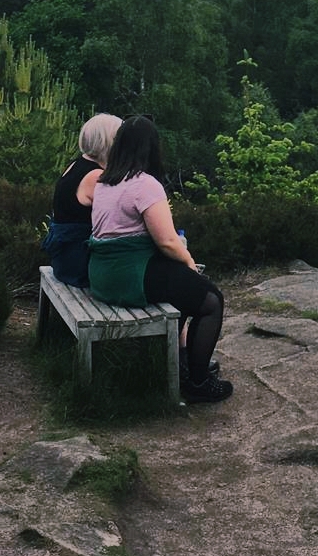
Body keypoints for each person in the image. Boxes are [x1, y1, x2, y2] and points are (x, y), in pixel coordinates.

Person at [88, 116, 233, 404]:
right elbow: (167, 241)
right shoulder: (144, 184)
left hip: (103, 275)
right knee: (211, 301)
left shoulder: (105, 182)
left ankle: (181, 364)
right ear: (151, 148)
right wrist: (189, 263)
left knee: (183, 291)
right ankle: (198, 383)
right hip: (131, 275)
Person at [43, 113, 121, 288]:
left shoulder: (76, 165)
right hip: (79, 262)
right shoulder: (96, 176)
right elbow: (117, 218)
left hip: (64, 258)